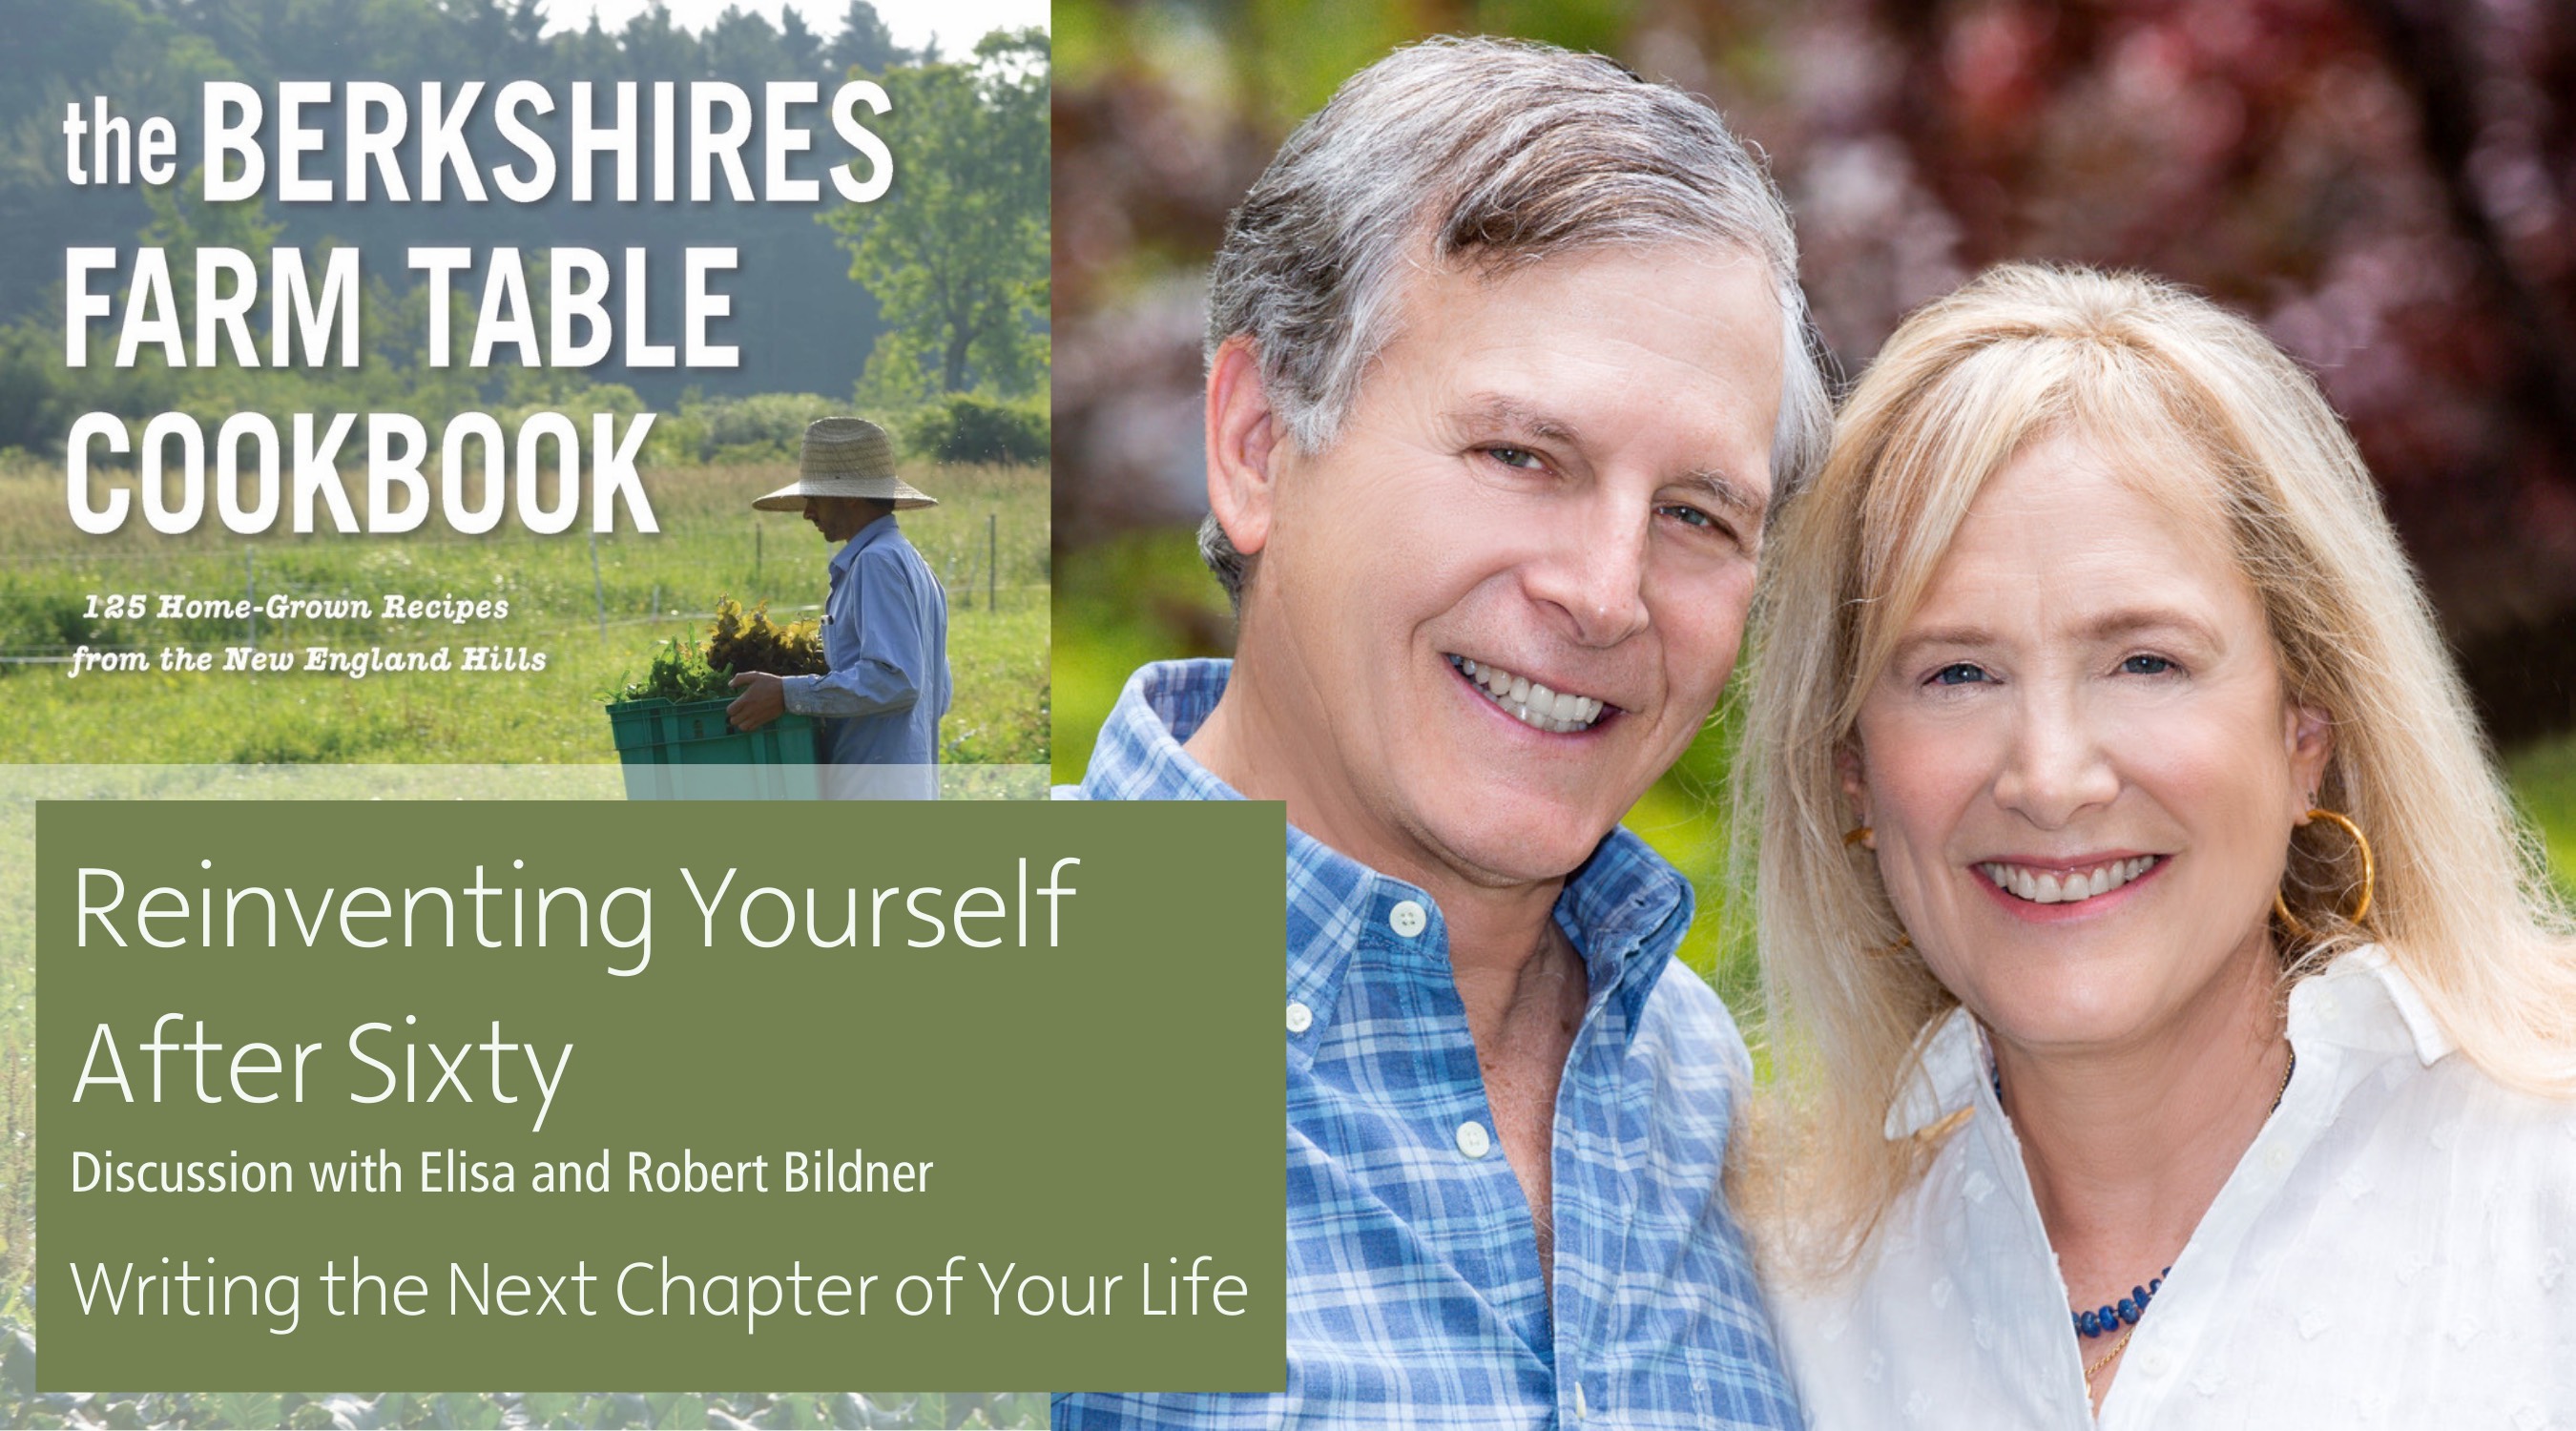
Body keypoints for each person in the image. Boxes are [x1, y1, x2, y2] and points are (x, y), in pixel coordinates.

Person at [1053, 35, 1832, 1430]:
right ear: (1256, 446)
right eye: (1521, 457)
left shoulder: (1707, 1106)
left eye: (1698, 516)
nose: (1605, 592)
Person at [1735, 262, 2576, 1427]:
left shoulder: (2545, 1189)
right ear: (1851, 768)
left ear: (2307, 731)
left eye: (2146, 662)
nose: (2051, 778)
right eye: (1957, 673)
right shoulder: (1776, 1297)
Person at [727, 416, 951, 800]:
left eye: (814, 497)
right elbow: (938, 691)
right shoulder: (911, 562)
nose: (807, 512)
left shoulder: (875, 563)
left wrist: (789, 693)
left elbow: (896, 680)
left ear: (849, 493)